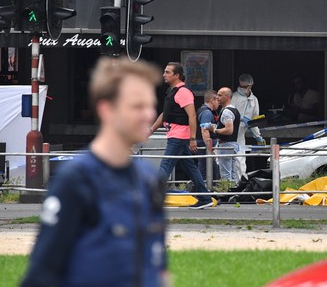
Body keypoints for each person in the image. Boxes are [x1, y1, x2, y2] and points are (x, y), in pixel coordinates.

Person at [21, 57, 170, 287]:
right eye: (137, 106)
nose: (149, 114)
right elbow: (42, 274)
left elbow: (159, 268)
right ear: (107, 109)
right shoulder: (76, 180)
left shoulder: (150, 180)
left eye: (151, 105)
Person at [150, 62, 213, 210]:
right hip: (176, 134)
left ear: (177, 75)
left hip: (179, 136)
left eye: (167, 72)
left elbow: (191, 116)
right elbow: (165, 115)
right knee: (191, 168)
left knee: (165, 166)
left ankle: (152, 198)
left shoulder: (183, 92)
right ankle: (204, 198)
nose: (164, 74)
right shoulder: (172, 92)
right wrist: (151, 129)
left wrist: (192, 139)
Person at [231, 74, 265, 181]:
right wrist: (240, 118)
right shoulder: (234, 97)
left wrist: (258, 136)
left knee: (241, 160)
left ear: (250, 86)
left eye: (245, 87)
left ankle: (241, 183)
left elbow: (254, 120)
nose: (243, 89)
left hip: (241, 135)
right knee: (231, 160)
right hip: (230, 133)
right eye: (241, 86)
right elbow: (229, 114)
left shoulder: (254, 100)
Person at [203, 87, 240, 183]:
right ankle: (233, 193)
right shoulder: (234, 110)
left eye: (220, 95)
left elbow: (229, 130)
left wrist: (214, 130)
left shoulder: (227, 111)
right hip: (232, 144)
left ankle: (227, 195)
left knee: (226, 174)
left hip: (226, 145)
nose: (217, 97)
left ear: (227, 97)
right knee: (232, 173)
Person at [196, 89, 220, 182]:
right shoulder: (207, 112)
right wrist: (210, 148)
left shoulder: (203, 110)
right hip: (206, 146)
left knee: (205, 169)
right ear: (212, 100)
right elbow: (204, 130)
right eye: (217, 100)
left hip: (204, 145)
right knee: (210, 171)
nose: (219, 103)